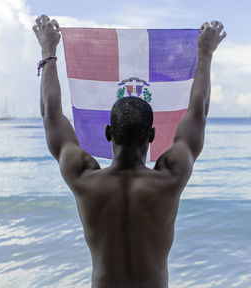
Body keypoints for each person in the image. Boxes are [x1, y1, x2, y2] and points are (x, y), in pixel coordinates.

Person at [33, 15, 226, 288]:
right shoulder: (170, 178)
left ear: (108, 132)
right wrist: (205, 53)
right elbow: (198, 112)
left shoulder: (83, 178)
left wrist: (48, 50)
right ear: (152, 135)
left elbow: (50, 115)